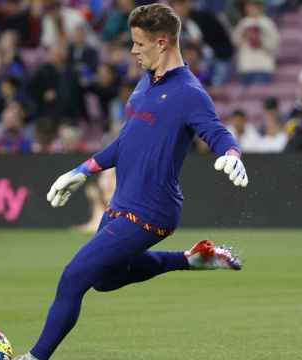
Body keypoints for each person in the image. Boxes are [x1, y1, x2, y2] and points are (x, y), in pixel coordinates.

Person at [14, 4, 247, 360]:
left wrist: (231, 155)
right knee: (104, 280)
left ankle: (34, 357)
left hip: (152, 211)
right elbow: (127, 142)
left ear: (163, 42)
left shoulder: (189, 93)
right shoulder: (145, 83)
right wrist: (83, 170)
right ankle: (194, 260)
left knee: (73, 276)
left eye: (139, 44)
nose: (133, 51)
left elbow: (216, 133)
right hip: (121, 204)